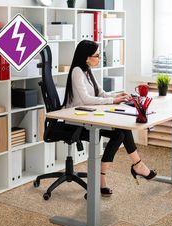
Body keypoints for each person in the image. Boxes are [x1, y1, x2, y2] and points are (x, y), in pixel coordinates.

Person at [63, 40, 157, 197]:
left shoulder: (87, 70)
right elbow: (86, 99)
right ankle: (137, 166)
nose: (99, 58)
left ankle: (104, 178)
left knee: (120, 132)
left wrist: (117, 96)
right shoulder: (77, 72)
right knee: (121, 130)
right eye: (97, 55)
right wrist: (112, 101)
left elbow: (100, 93)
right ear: (87, 57)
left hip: (90, 114)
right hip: (78, 119)